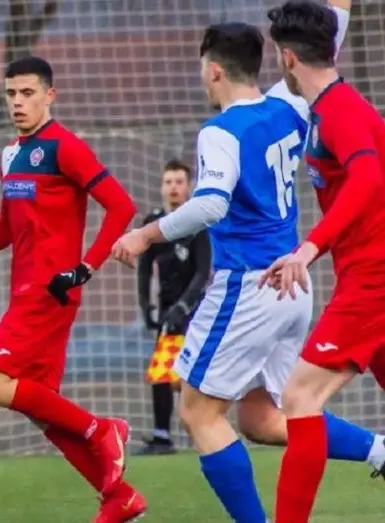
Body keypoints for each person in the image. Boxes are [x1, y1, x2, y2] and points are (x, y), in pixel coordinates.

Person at [110, 3, 385, 521]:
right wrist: (337, 10)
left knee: (197, 411)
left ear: (214, 70)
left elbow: (211, 204)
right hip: (291, 288)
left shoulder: (221, 131)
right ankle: (379, 450)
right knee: (262, 417)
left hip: (247, 287)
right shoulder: (289, 106)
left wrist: (145, 234)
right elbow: (320, 52)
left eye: (202, 68)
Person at [0, 56, 143, 523]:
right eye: (11, 93)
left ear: (50, 95)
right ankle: (120, 497)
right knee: (44, 410)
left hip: (51, 292)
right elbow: (7, 227)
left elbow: (121, 206)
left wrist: (85, 267)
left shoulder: (65, 146)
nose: (18, 102)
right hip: (24, 291)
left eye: (27, 93)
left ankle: (102, 428)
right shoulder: (10, 153)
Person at [262, 2, 385, 521]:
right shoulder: (327, 109)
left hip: (374, 281)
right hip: (363, 275)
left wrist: (309, 248)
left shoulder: (340, 111)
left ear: (287, 58)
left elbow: (369, 178)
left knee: (299, 398)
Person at [136, 159, 211, 456]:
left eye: (179, 182)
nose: (174, 188)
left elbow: (202, 272)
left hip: (196, 310)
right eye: (168, 182)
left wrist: (184, 305)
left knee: (184, 376)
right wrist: (146, 305)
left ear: (189, 186)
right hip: (167, 311)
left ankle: (201, 430)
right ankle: (162, 435)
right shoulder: (154, 222)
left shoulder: (198, 223)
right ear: (161, 187)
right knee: (163, 372)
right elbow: (144, 267)